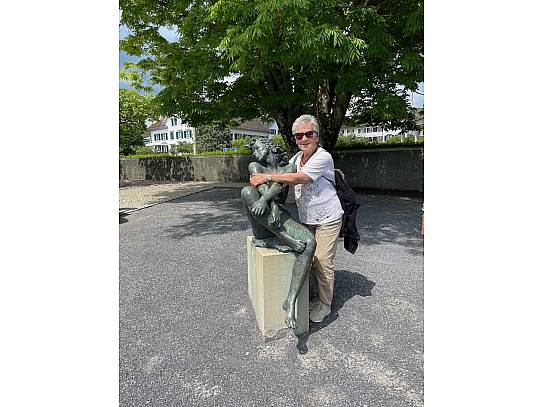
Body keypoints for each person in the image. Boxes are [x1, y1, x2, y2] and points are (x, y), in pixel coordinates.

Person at [250, 114, 343, 323]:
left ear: (317, 136)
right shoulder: (296, 159)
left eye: (308, 134)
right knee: (308, 256)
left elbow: (300, 178)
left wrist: (267, 176)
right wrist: (268, 197)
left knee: (322, 260)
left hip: (328, 217)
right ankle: (310, 295)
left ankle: (324, 304)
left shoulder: (323, 157)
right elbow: (283, 179)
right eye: (299, 135)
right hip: (308, 216)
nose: (304, 139)